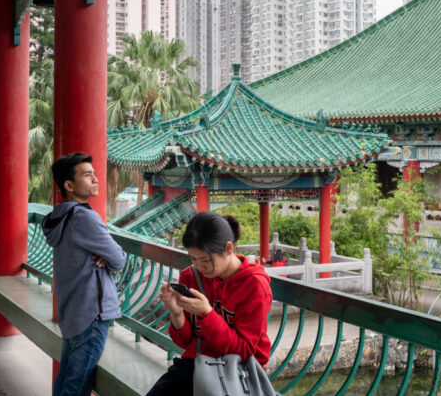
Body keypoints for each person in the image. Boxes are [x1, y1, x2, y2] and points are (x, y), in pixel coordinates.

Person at [146, 212, 274, 396]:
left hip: (237, 372)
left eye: (205, 260)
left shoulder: (254, 286)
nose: (199, 266)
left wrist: (207, 314)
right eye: (193, 259)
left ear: (229, 249)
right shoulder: (191, 277)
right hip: (197, 364)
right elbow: (187, 342)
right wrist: (177, 314)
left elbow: (245, 350)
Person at [42, 152, 126, 396]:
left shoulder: (61, 216)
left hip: (73, 311)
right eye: (88, 175)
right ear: (69, 185)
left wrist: (105, 257)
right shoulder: (84, 217)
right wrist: (109, 259)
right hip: (91, 314)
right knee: (76, 386)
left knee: (67, 379)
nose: (96, 179)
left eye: (94, 174)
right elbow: (119, 258)